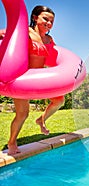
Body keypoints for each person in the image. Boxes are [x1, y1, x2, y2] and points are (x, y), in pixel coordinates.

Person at [5, 5, 64, 155]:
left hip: (39, 81)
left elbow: (55, 58)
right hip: (23, 80)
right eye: (45, 19)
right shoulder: (26, 32)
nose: (49, 23)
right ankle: (12, 142)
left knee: (59, 100)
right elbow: (5, 34)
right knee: (23, 114)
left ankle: (41, 120)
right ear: (34, 17)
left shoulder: (49, 39)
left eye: (51, 21)